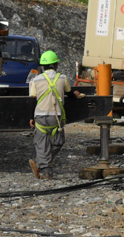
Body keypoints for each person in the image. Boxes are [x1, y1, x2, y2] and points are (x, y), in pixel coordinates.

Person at [28, 50, 80, 180]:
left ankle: (43, 167)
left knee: (41, 143)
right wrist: (77, 95)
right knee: (58, 142)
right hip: (56, 117)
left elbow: (31, 100)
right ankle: (44, 167)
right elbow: (70, 95)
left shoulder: (35, 80)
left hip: (40, 116)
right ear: (55, 65)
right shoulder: (62, 78)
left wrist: (30, 117)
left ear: (43, 66)